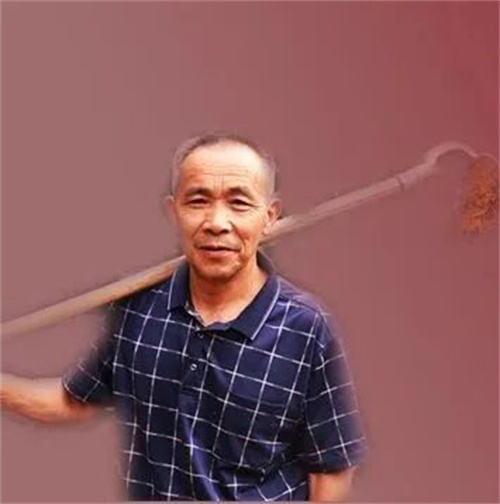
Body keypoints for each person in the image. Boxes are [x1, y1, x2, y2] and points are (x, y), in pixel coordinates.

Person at [1, 133, 368, 501]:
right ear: (173, 210)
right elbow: (73, 401)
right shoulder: (138, 310)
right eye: (198, 201)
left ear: (269, 216)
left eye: (239, 203)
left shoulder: (305, 327)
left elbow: (331, 469)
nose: (217, 222)